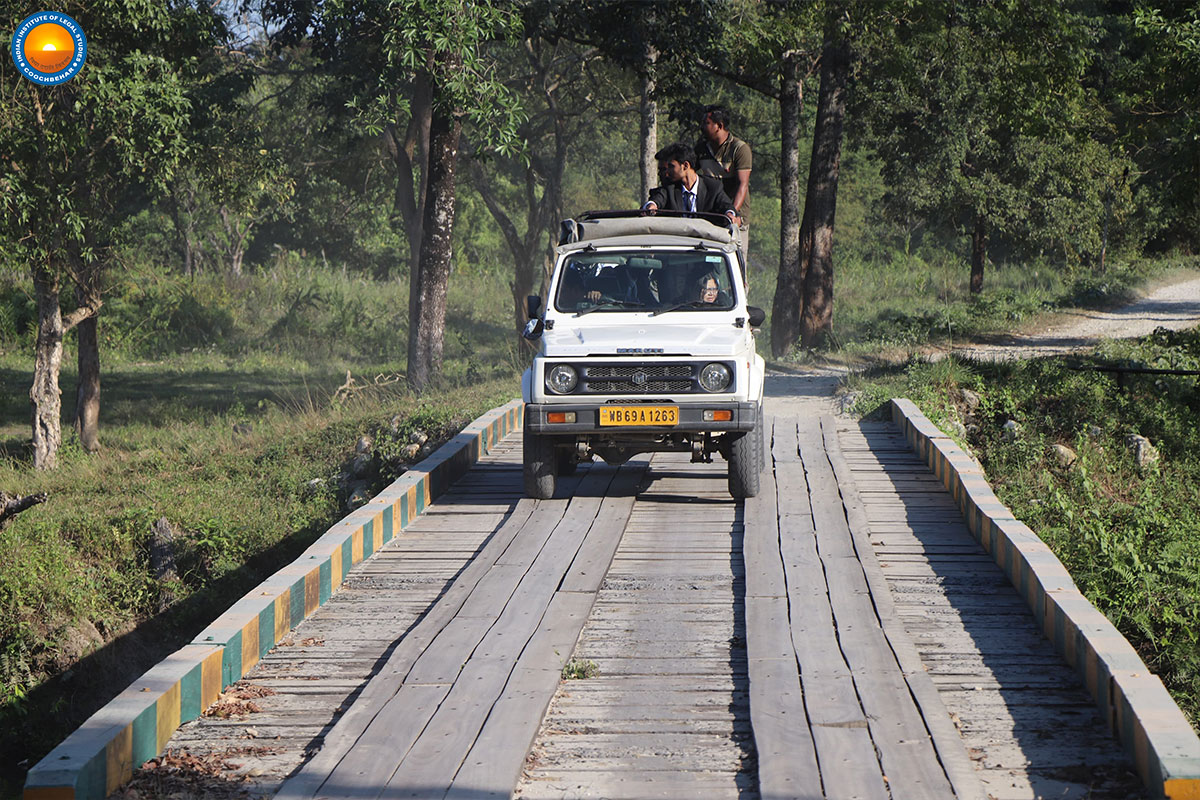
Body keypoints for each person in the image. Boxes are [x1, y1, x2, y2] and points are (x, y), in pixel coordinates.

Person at [696, 104, 751, 266]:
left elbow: (742, 185)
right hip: (710, 216)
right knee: (707, 263)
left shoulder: (739, 149)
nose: (702, 127)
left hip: (736, 217)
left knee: (736, 263)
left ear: (719, 126)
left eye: (706, 123)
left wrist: (732, 214)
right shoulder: (701, 149)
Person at [643, 142, 737, 220]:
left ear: (685, 166)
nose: (667, 172)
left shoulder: (713, 187)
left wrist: (730, 214)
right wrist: (651, 206)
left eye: (671, 166)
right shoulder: (669, 188)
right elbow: (657, 199)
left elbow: (726, 206)